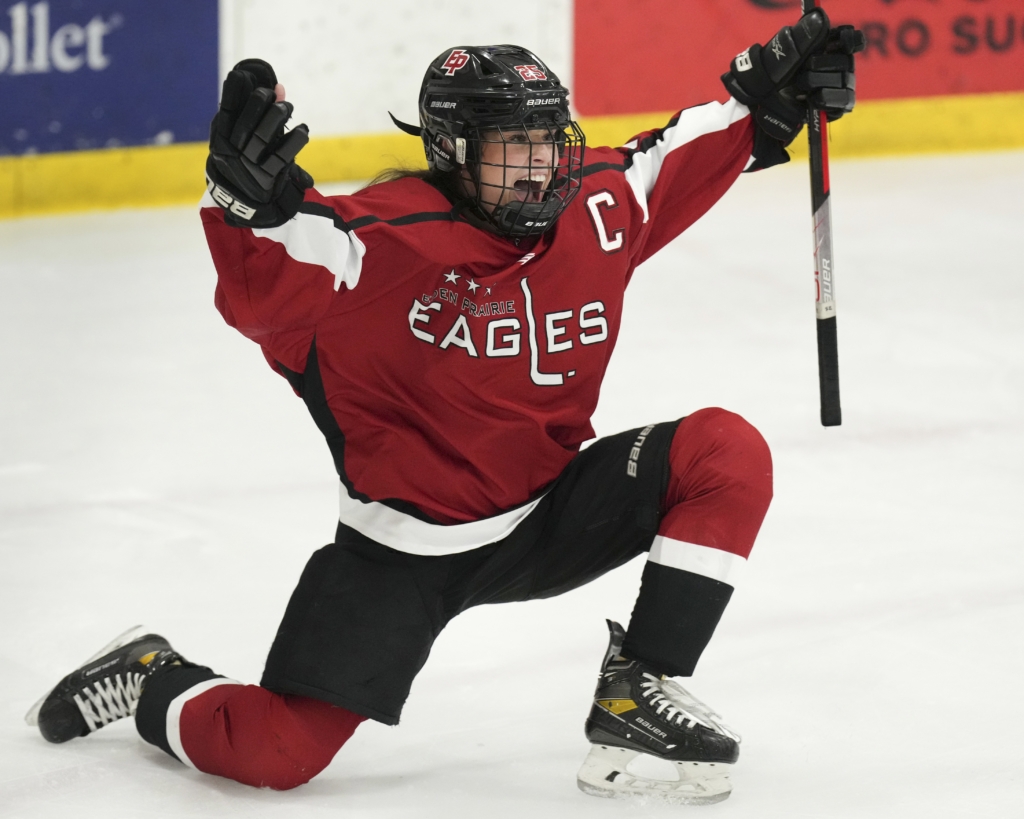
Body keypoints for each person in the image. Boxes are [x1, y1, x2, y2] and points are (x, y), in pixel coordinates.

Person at [27, 10, 861, 805]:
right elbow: (265, 287)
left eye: (547, 139)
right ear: (452, 150)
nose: (538, 164)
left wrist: (771, 99)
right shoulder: (377, 244)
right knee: (273, 752)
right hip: (403, 553)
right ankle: (148, 672)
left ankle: (636, 691)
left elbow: (676, 151)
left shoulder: (599, 205)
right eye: (512, 145)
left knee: (725, 451)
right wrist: (244, 205)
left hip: (551, 512)